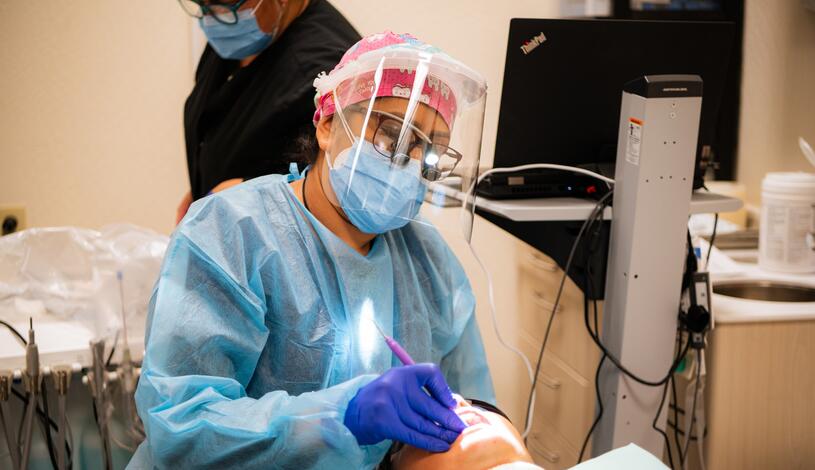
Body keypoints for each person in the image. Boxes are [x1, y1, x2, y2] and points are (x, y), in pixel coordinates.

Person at [129, 32, 495, 469]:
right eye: (392, 138)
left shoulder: (428, 260)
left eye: (429, 153)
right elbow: (182, 425)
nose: (410, 165)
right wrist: (343, 414)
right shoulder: (231, 233)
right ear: (326, 125)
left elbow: (471, 411)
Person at [175, 0, 360, 224]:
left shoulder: (324, 71)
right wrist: (202, 182)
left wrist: (250, 192)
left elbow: (330, 195)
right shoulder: (237, 36)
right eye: (202, 5)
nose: (211, 18)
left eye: (227, 5)